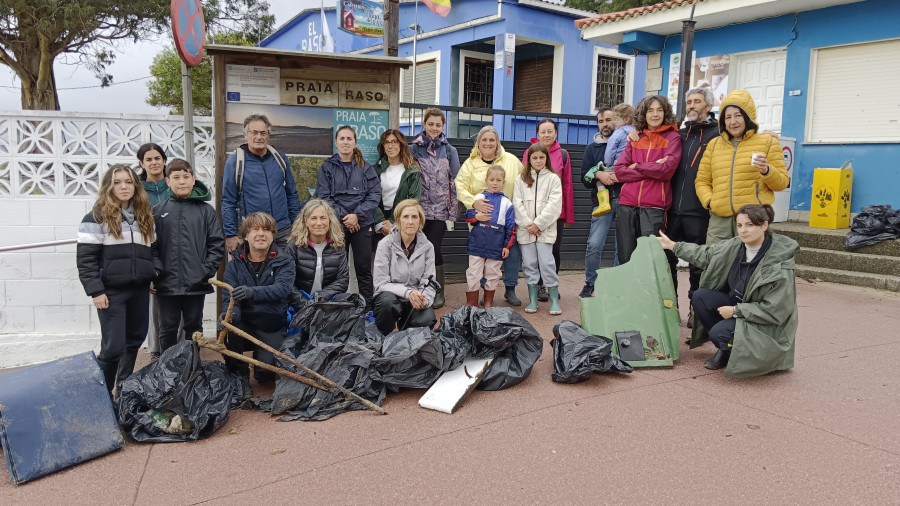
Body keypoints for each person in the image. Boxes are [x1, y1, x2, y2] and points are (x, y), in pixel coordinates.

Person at [656, 204, 798, 377]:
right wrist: (673, 245)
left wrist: (736, 311)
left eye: (750, 225)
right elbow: (706, 254)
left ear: (764, 226)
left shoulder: (779, 264)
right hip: (739, 306)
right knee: (701, 297)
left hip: (764, 323)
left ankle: (735, 347)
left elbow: (776, 310)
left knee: (719, 332)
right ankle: (726, 348)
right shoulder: (736, 245)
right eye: (740, 225)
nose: (743, 230)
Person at [77, 164, 156, 394]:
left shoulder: (145, 217)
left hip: (139, 290)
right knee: (112, 348)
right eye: (118, 182)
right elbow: (86, 259)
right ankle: (102, 397)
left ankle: (123, 393)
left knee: (134, 342)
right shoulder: (95, 217)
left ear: (136, 185)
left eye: (129, 182)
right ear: (109, 186)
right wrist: (95, 290)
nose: (124, 186)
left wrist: (153, 273)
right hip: (111, 293)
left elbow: (153, 251)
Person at [695, 90, 790, 245]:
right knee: (716, 265)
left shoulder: (768, 142)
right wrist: (711, 202)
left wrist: (767, 170)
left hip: (753, 219)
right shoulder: (714, 145)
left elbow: (782, 183)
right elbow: (702, 181)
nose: (733, 121)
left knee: (751, 266)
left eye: (738, 115)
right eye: (728, 117)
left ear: (747, 117)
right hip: (720, 221)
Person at [151, 158, 225, 353]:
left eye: (186, 177)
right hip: (166, 284)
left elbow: (216, 243)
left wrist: (205, 270)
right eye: (176, 177)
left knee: (193, 327)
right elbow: (151, 247)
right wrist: (156, 273)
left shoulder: (206, 211)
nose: (181, 181)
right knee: (167, 328)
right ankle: (166, 368)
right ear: (167, 181)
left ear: (193, 180)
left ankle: (191, 366)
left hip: (196, 283)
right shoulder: (158, 211)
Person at [220, 212, 295, 399]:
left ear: (273, 235)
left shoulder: (285, 260)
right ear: (245, 236)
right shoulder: (233, 265)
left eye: (266, 230)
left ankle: (260, 361)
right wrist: (231, 316)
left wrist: (252, 292)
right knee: (228, 326)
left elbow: (281, 289)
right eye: (255, 229)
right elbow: (230, 298)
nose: (261, 234)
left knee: (266, 375)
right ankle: (241, 377)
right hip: (245, 323)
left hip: (271, 324)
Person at [666, 87, 720, 327]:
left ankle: (695, 312)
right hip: (671, 211)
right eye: (689, 102)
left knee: (698, 264)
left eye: (697, 101)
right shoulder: (679, 134)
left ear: (708, 106)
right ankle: (670, 308)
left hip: (698, 212)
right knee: (667, 261)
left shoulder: (718, 134)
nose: (691, 106)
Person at [456, 125, 525, 306]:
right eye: (483, 140)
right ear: (478, 143)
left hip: (505, 218)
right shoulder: (470, 163)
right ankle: (477, 293)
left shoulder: (511, 160)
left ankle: (510, 289)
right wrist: (473, 203)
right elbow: (460, 186)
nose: (488, 143)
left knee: (510, 254)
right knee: (479, 261)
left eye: (491, 140)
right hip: (480, 223)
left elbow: (526, 180)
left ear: (497, 142)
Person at [317, 125, 381, 310]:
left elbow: (374, 195)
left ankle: (368, 309)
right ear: (336, 142)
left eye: (349, 139)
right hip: (337, 225)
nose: (345, 142)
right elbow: (324, 196)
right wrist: (346, 217)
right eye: (342, 139)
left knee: (363, 268)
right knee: (336, 268)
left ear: (355, 142)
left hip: (362, 224)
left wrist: (357, 216)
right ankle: (337, 307)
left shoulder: (366, 168)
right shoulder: (327, 167)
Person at [613, 95, 681, 264]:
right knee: (626, 258)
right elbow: (620, 171)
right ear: (644, 114)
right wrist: (652, 167)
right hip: (627, 204)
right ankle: (628, 291)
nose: (655, 114)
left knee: (650, 260)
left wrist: (636, 166)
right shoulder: (635, 138)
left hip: (654, 207)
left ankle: (649, 292)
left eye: (659, 110)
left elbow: (666, 171)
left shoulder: (673, 138)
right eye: (650, 110)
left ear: (665, 113)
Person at [222, 114, 302, 252]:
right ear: (245, 135)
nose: (259, 137)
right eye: (254, 132)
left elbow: (291, 193)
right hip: (254, 232)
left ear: (268, 135)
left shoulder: (279, 158)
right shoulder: (235, 162)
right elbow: (228, 201)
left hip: (283, 229)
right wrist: (230, 234)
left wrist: (296, 224)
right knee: (256, 273)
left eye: (263, 133)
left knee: (286, 270)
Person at [408, 107, 460, 309]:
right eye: (430, 124)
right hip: (417, 209)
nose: (434, 128)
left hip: (439, 210)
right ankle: (416, 289)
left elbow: (455, 181)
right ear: (424, 124)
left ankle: (437, 291)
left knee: (433, 248)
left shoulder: (449, 150)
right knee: (414, 248)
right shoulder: (413, 149)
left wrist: (453, 212)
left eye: (438, 125)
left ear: (443, 126)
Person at [521, 118, 574, 301]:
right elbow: (524, 182)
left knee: (553, 250)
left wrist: (567, 215)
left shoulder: (564, 155)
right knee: (533, 252)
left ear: (556, 133)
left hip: (554, 214)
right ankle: (535, 286)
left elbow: (567, 186)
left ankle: (549, 284)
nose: (546, 134)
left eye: (550, 131)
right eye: (543, 131)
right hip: (532, 213)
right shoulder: (529, 152)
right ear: (537, 134)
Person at [372, 199, 437, 336]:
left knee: (427, 319)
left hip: (414, 298)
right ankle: (382, 336)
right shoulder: (385, 245)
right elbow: (381, 283)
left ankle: (407, 332)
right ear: (398, 220)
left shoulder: (428, 247)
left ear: (420, 220)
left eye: (415, 217)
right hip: (391, 296)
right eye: (405, 217)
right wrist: (408, 292)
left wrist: (424, 299)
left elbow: (429, 281)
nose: (410, 221)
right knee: (386, 303)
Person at [514, 143, 563, 315]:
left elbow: (554, 205)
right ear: (528, 159)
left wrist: (538, 224)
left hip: (544, 230)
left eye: (542, 157)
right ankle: (533, 299)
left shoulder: (553, 179)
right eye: (534, 157)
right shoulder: (520, 179)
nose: (538, 160)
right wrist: (529, 224)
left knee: (547, 263)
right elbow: (517, 204)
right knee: (529, 264)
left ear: (546, 159)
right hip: (526, 230)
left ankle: (554, 299)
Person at [578, 106, 618, 298]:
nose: (605, 124)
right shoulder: (592, 149)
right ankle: (589, 283)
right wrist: (598, 174)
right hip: (601, 203)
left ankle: (619, 283)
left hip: (626, 200)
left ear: (616, 121)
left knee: (623, 245)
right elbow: (583, 180)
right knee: (594, 244)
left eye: (608, 120)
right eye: (601, 121)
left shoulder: (627, 144)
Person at [463, 165, 516, 308]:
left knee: (492, 273)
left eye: (499, 180)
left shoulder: (507, 203)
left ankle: (488, 302)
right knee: (474, 272)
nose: (495, 183)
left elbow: (511, 228)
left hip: (496, 245)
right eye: (492, 179)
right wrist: (477, 216)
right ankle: (471, 303)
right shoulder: (479, 198)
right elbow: (467, 216)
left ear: (503, 182)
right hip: (477, 243)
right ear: (486, 180)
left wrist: (506, 246)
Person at [136, 142, 168, 360]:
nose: (154, 162)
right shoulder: (137, 190)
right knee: (155, 302)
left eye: (157, 158)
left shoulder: (174, 184)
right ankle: (156, 349)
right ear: (141, 163)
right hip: (148, 252)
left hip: (175, 249)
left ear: (164, 160)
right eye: (149, 159)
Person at [286, 199, 349, 301]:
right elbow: (287, 282)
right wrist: (305, 304)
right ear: (305, 221)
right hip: (299, 303)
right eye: (314, 218)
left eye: (323, 218)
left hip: (326, 301)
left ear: (329, 220)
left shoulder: (338, 245)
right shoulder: (293, 246)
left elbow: (342, 280)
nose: (319, 223)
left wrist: (319, 299)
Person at [374, 129, 421, 240]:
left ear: (401, 144)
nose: (390, 146)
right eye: (387, 142)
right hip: (378, 219)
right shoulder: (375, 170)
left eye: (394, 142)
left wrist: (393, 222)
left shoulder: (412, 171)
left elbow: (413, 200)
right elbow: (370, 197)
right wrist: (381, 222)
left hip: (401, 219)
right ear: (383, 146)